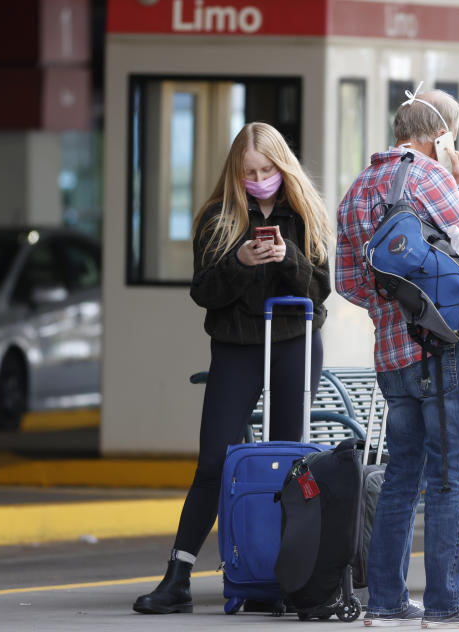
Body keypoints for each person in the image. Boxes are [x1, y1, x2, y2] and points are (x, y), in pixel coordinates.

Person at [132, 122, 332, 615]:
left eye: (267, 170)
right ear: (235, 173)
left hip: (294, 342)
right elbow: (204, 292)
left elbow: (320, 290)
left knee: (289, 463)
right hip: (237, 346)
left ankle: (285, 577)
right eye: (249, 173)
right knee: (214, 463)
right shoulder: (217, 218)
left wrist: (286, 261)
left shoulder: (306, 214)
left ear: (282, 167)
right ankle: (177, 576)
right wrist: (242, 261)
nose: (259, 179)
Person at [335, 86, 459, 628]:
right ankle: (445, 602)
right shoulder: (432, 178)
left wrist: (395, 310)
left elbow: (350, 284)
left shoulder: (358, 189)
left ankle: (384, 600)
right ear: (442, 135)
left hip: (392, 356)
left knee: (402, 472)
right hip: (446, 347)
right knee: (451, 474)